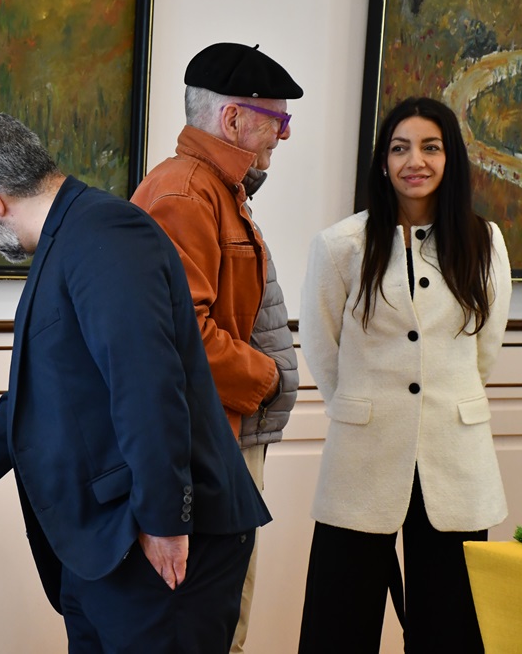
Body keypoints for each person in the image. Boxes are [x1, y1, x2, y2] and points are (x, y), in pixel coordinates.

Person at [0, 112, 271, 654]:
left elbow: (148, 387)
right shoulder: (70, 237)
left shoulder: (107, 233)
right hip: (105, 547)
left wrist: (165, 520)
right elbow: (32, 404)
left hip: (156, 537)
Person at [297, 97, 512, 653]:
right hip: (362, 457)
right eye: (399, 148)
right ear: (383, 162)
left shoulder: (484, 242)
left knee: (452, 627)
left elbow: (484, 351)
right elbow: (322, 348)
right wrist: (361, 409)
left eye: (430, 147)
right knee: (338, 624)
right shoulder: (341, 246)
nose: (414, 161)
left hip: (454, 455)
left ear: (450, 158)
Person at [129, 41, 302, 652]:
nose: (284, 134)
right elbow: (182, 338)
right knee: (211, 628)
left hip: (222, 434)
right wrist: (269, 379)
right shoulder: (185, 194)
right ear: (232, 118)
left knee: (224, 621)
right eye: (278, 119)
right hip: (206, 443)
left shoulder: (211, 189)